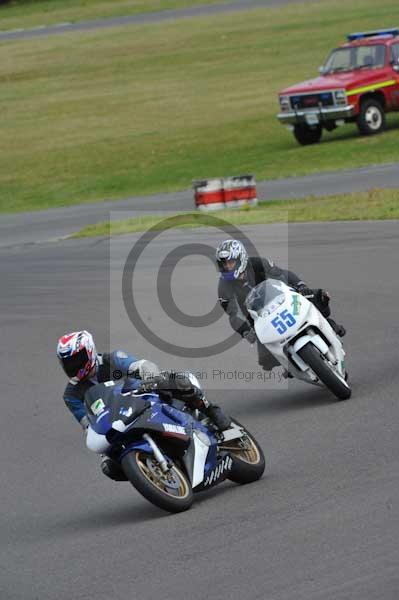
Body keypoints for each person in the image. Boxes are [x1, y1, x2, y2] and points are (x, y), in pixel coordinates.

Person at [57, 330, 230, 480]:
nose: (73, 366)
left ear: (89, 351)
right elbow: (88, 425)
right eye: (68, 363)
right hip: (118, 423)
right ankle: (148, 471)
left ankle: (210, 409)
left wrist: (150, 378)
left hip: (145, 398)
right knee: (109, 466)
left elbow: (140, 365)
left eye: (76, 360)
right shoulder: (71, 395)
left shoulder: (111, 360)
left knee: (174, 381)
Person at [215, 239, 346, 373]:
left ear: (240, 258)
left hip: (282, 299)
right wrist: (246, 331)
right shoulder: (223, 287)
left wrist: (301, 286)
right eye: (224, 264)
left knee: (320, 296)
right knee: (266, 360)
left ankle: (330, 325)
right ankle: (289, 363)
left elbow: (282, 274)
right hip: (257, 318)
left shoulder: (258, 263)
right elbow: (233, 314)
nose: (227, 267)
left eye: (230, 263)